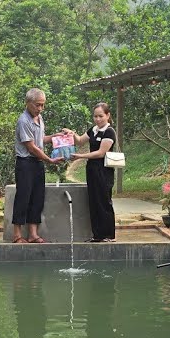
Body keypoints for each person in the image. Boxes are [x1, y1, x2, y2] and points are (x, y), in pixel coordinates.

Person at [12, 88, 65, 244]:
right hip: (25, 163)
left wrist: (55, 137)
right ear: (28, 103)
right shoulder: (24, 121)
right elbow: (31, 147)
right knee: (23, 197)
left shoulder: (39, 118)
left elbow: (41, 139)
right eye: (37, 105)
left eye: (43, 105)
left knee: (37, 197)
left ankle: (33, 234)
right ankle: (17, 235)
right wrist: (49, 160)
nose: (40, 108)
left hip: (37, 163)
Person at [68, 102, 117, 242]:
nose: (98, 119)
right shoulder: (93, 130)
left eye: (101, 116)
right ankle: (97, 235)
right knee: (93, 201)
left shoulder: (109, 131)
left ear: (107, 115)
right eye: (95, 116)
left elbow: (101, 153)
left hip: (104, 170)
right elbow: (79, 141)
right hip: (92, 169)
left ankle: (108, 234)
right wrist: (71, 133)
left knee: (104, 201)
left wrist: (80, 157)